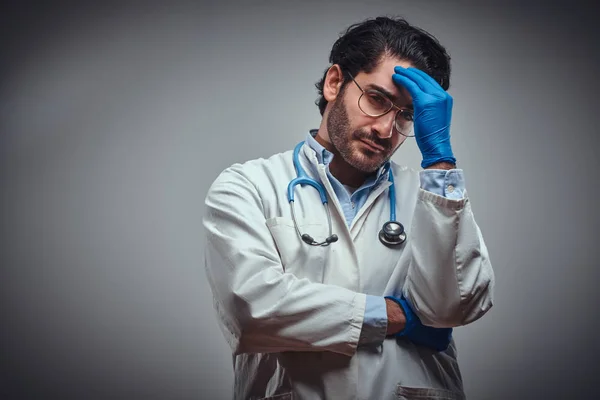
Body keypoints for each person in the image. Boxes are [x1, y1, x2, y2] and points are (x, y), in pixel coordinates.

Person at [203, 16, 494, 400]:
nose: (387, 130)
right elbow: (252, 310)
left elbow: (455, 305)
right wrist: (393, 317)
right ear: (334, 82)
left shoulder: (432, 195)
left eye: (407, 115)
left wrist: (440, 161)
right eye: (377, 100)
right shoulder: (248, 186)